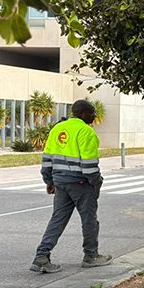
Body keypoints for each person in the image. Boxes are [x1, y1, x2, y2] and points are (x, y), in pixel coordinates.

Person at [31, 99, 112, 273]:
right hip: (81, 184)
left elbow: (47, 159)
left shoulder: (57, 129)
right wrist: (97, 183)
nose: (94, 116)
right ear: (82, 113)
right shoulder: (86, 131)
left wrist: (49, 181)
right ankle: (91, 256)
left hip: (60, 182)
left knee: (57, 219)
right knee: (89, 220)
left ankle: (41, 257)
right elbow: (89, 166)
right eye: (92, 113)